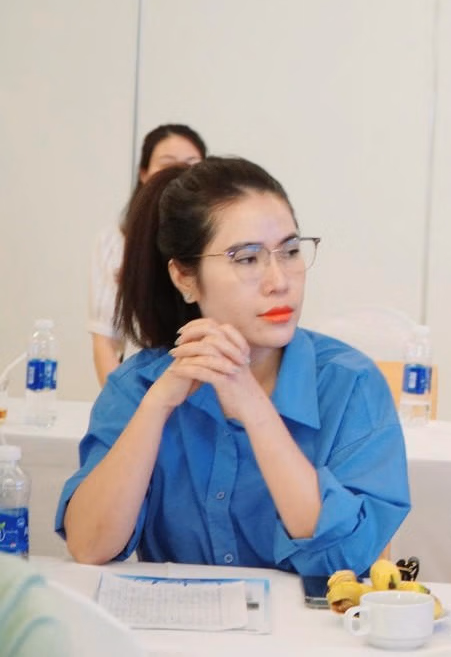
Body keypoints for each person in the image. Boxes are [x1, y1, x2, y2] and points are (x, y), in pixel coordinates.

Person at [58, 157, 410, 576]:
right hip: (176, 620)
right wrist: (155, 408)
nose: (279, 281)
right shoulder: (139, 386)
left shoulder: (350, 384)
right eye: (247, 258)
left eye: (290, 252)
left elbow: (347, 558)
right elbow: (90, 546)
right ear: (185, 278)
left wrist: (252, 405)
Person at [90, 124, 207, 385]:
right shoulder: (115, 241)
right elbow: (104, 338)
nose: (179, 174)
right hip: (139, 383)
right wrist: (119, 400)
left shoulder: (218, 237)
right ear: (144, 173)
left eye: (192, 164)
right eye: (168, 165)